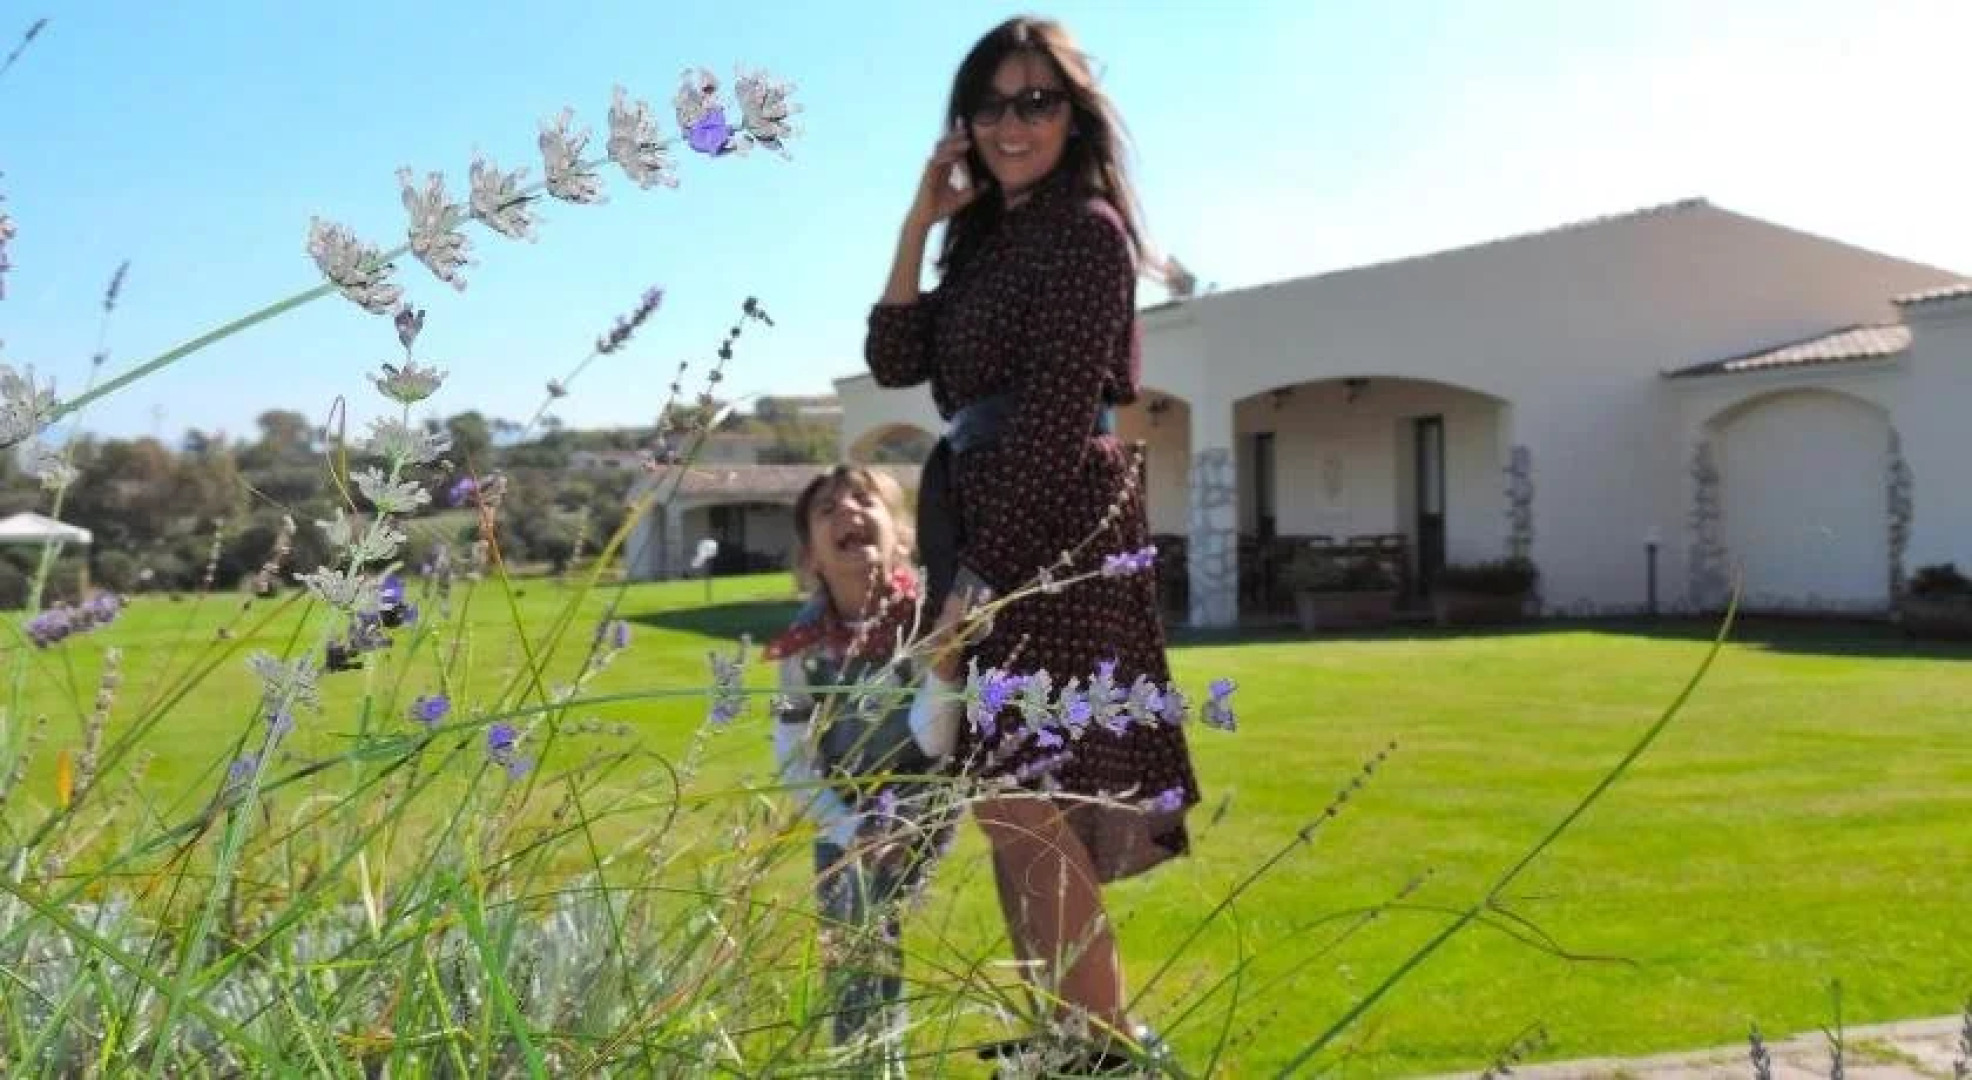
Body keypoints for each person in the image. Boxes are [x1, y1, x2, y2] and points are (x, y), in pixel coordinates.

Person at [863, 14, 1200, 1071]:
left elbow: (1058, 418)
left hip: (1052, 523)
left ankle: (1101, 1045)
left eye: (1037, 101)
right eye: (992, 104)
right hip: (986, 502)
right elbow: (890, 356)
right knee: (1003, 790)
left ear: (1073, 115)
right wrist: (922, 222)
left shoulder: (1089, 232)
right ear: (964, 122)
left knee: (1027, 783)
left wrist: (979, 583)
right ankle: (1069, 1040)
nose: (1014, 124)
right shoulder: (985, 243)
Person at [764, 465, 961, 1074]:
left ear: (900, 536)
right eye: (828, 508)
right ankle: (866, 1064)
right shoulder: (803, 644)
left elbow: (933, 742)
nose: (848, 510)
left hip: (923, 786)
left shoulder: (931, 618)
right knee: (851, 949)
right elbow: (793, 751)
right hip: (843, 807)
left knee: (868, 909)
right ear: (810, 559)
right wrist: (847, 830)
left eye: (864, 499)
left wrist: (947, 666)